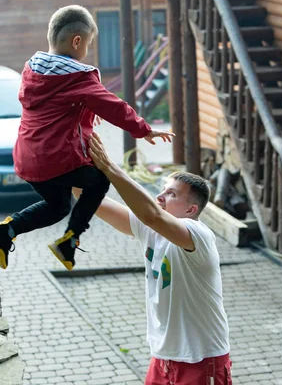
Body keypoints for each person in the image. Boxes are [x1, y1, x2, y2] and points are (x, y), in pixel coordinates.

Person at [0, 5, 172, 271]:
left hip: (27, 160)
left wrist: (86, 110)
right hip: (57, 159)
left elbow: (59, 106)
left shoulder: (31, 70)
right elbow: (113, 106)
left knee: (58, 206)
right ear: (77, 41)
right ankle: (69, 242)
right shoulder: (78, 77)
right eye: (89, 44)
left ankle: (6, 230)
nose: (87, 51)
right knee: (100, 180)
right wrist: (143, 129)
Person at [76, 132, 232, 384]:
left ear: (191, 210)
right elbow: (92, 201)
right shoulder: (151, 228)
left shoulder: (198, 233)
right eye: (162, 190)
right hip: (163, 356)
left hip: (201, 358)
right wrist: (61, 164)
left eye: (171, 194)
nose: (160, 197)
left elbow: (152, 215)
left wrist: (110, 166)